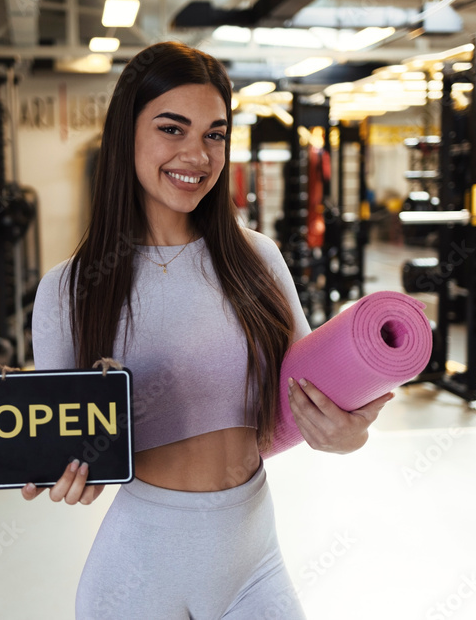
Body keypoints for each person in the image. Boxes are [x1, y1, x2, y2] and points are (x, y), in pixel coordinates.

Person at [31, 41, 393, 619]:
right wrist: (66, 472)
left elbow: (302, 398)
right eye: (172, 129)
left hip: (254, 559)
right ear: (126, 135)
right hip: (138, 570)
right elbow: (56, 442)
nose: (197, 155)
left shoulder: (258, 259)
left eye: (214, 134)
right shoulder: (71, 289)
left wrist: (348, 434)